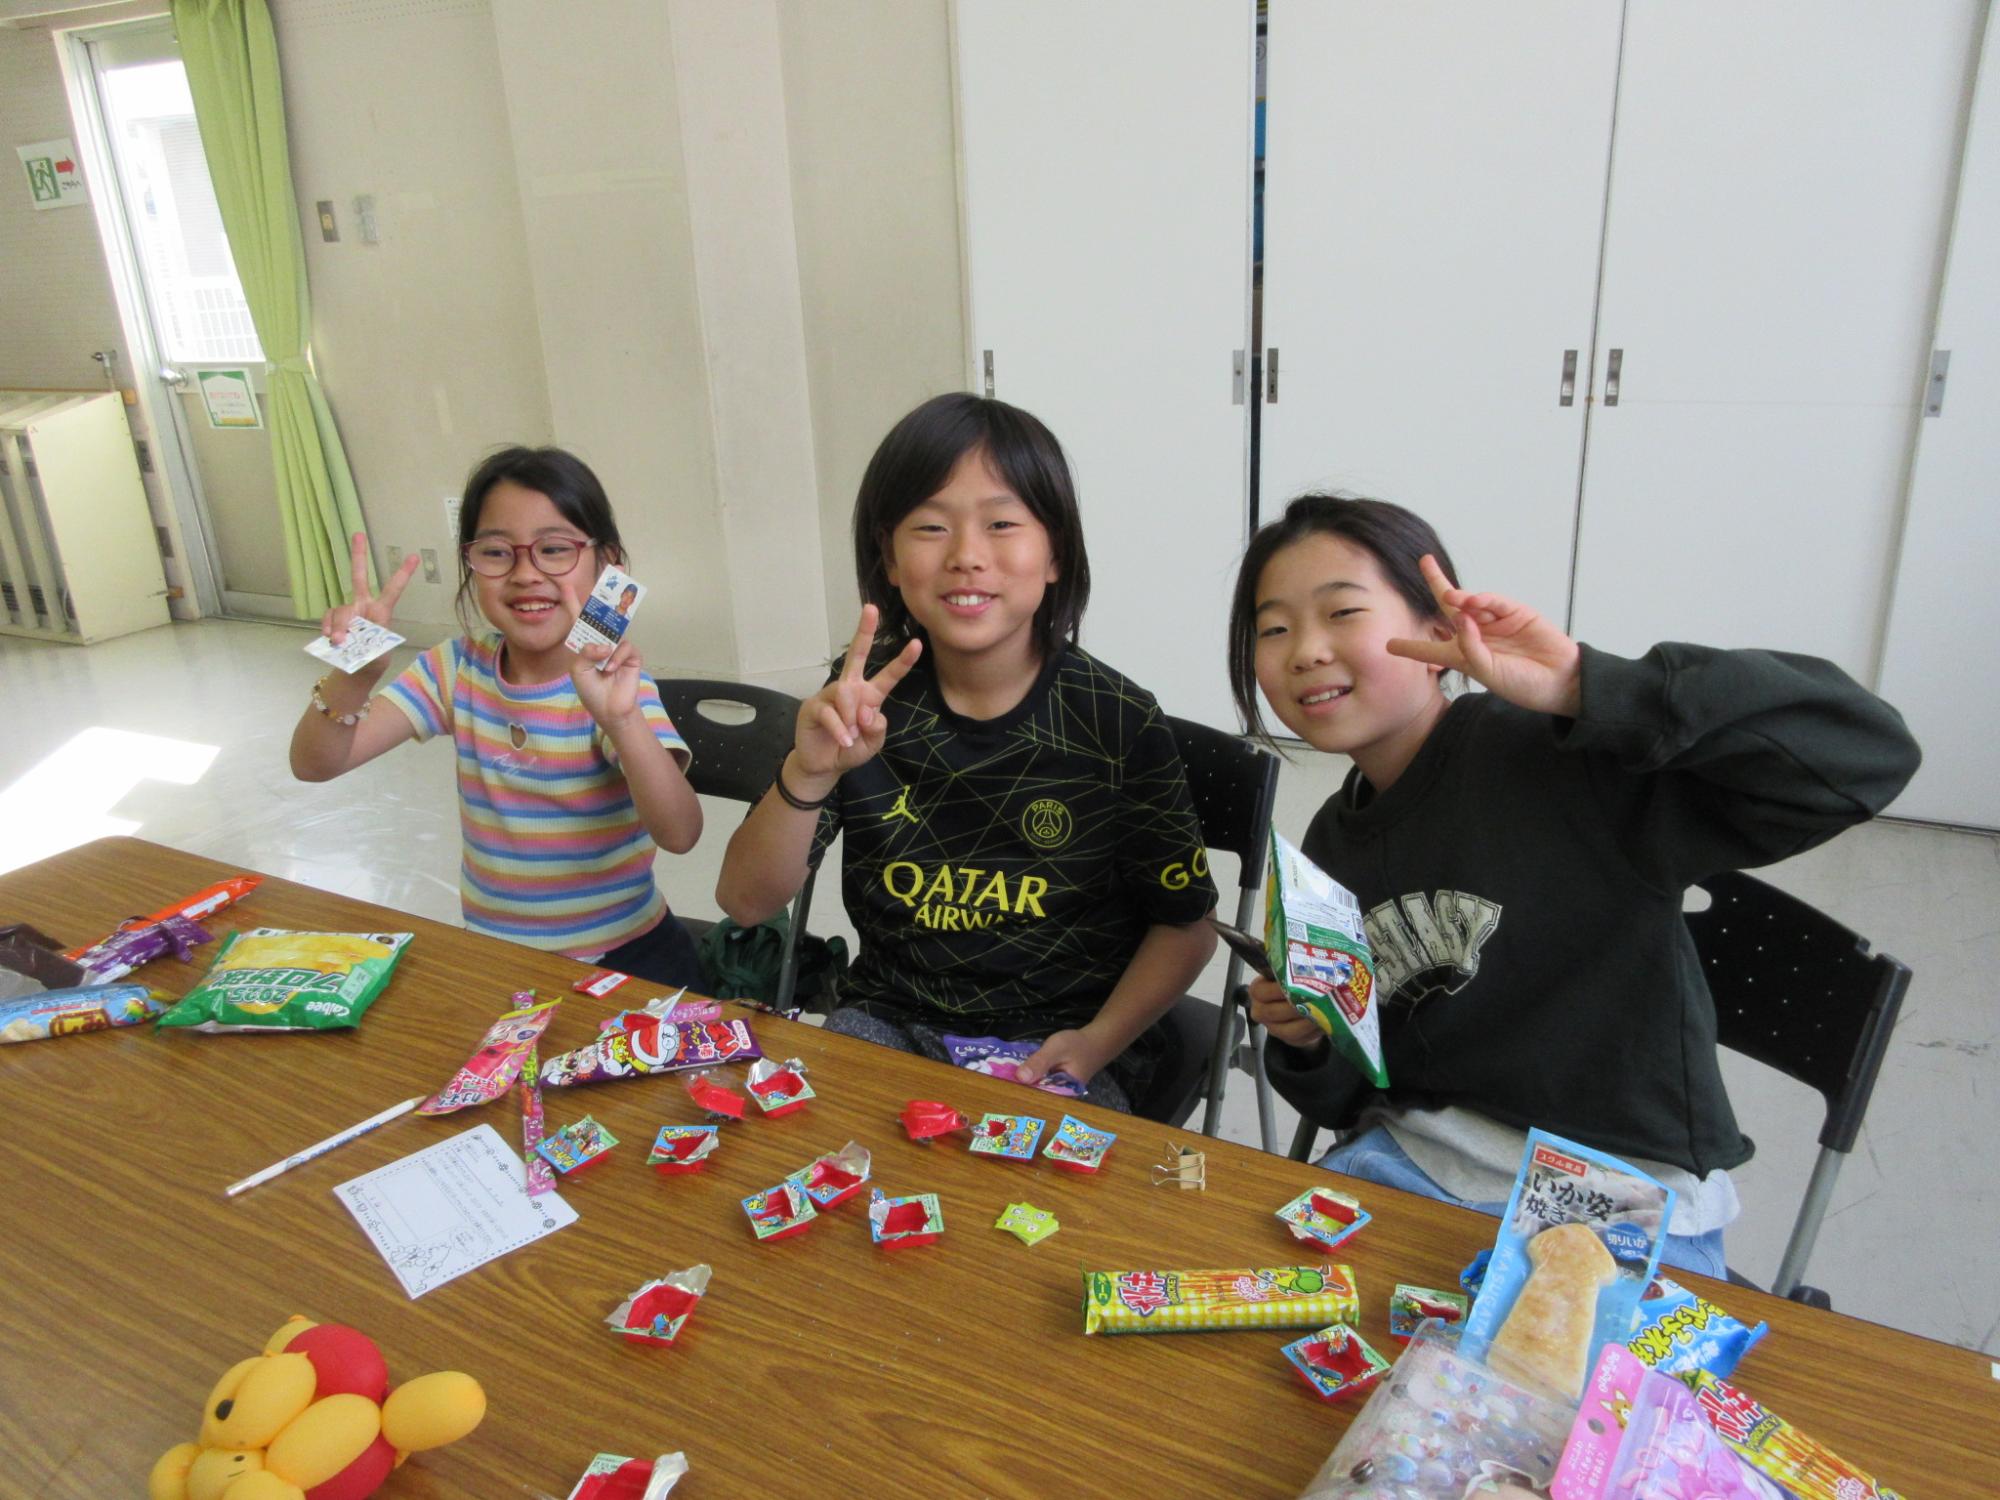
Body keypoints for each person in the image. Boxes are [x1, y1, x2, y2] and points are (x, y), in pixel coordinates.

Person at [1230, 493, 1919, 1275]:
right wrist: (1311, 1038)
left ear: (1438, 631)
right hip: (1411, 1168)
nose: (1305, 651)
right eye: (1273, 629)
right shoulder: (1331, 843)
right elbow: (1353, 1095)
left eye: (1342, 613)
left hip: (1615, 1199)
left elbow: (1866, 753)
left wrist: (1587, 687)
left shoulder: (1565, 762)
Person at [716, 394, 1217, 1112]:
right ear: (889, 558)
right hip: (887, 1020)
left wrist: (1096, 1043)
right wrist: (809, 771)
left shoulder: (1117, 719)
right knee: (799, 1157)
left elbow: (1187, 927)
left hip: (1061, 1040)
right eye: (930, 526)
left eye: (1001, 523)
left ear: (1055, 553)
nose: (966, 556)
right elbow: (744, 901)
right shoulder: (862, 700)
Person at [290, 446, 704, 986]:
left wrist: (622, 722)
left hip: (625, 958)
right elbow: (314, 765)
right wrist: (354, 674)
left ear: (606, 566)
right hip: (496, 958)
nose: (526, 574)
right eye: (496, 552)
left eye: (554, 549)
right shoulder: (457, 666)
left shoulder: (617, 688)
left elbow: (680, 833)